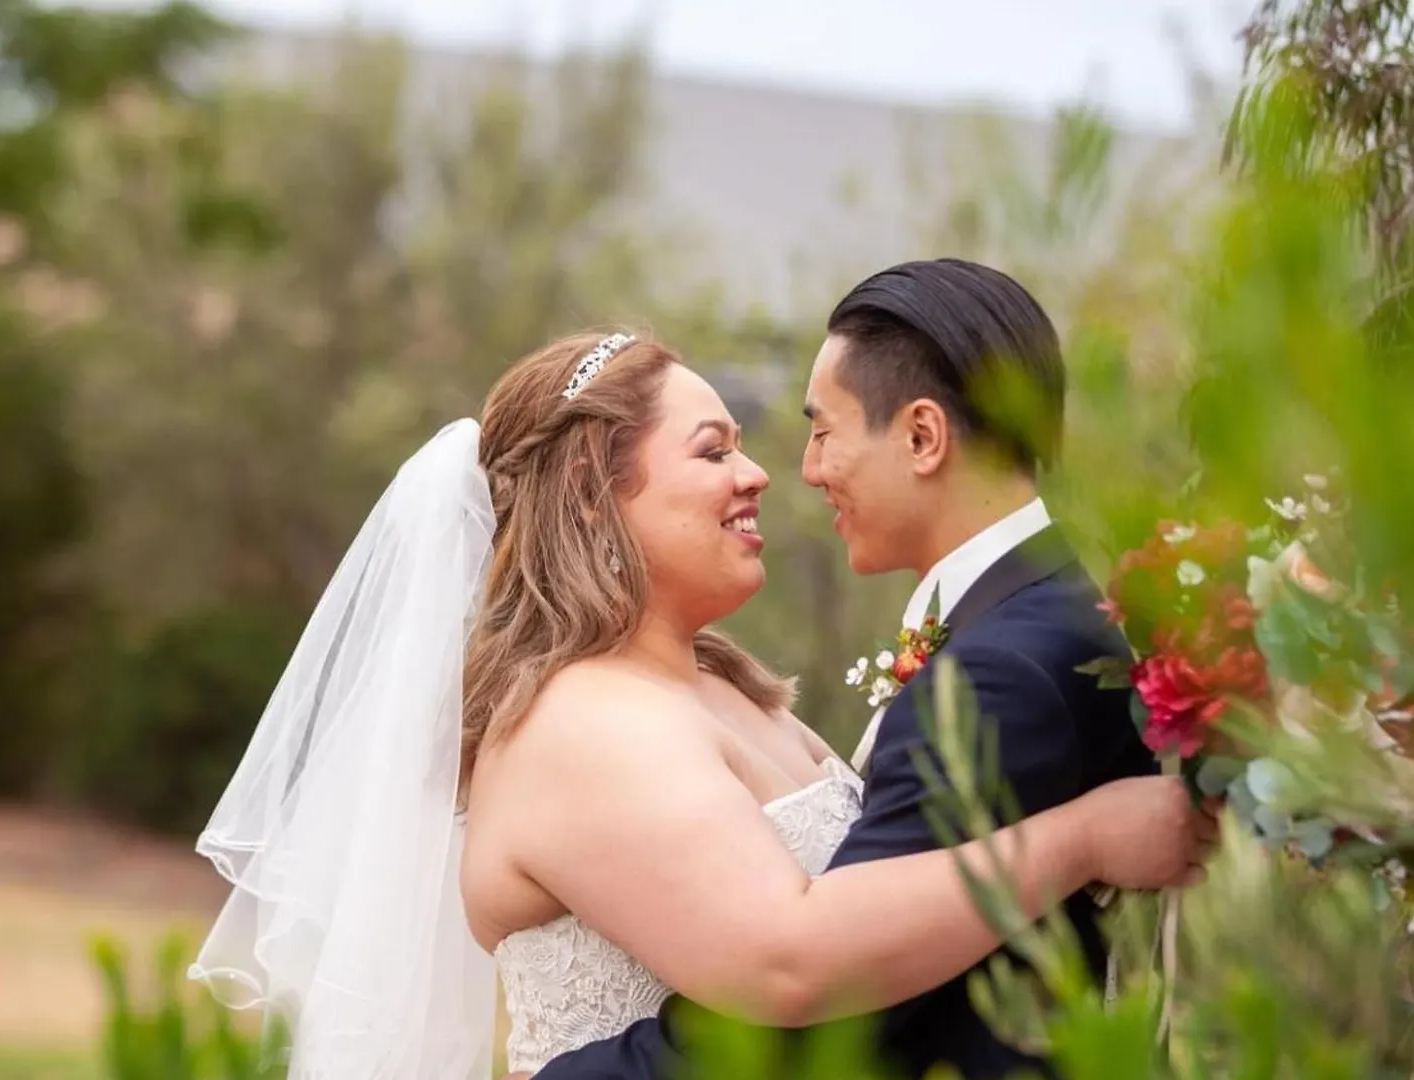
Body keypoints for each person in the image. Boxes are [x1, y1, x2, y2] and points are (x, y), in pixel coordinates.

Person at [189, 311, 1209, 1080]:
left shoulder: (725, 690)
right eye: (714, 450)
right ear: (593, 498)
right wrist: (1084, 839)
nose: (760, 474)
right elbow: (789, 965)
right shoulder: (580, 723)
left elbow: (886, 910)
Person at [536, 259, 1176, 1080]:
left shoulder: (997, 673)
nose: (802, 470)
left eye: (824, 432)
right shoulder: (1043, 617)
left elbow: (838, 1010)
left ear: (921, 437)